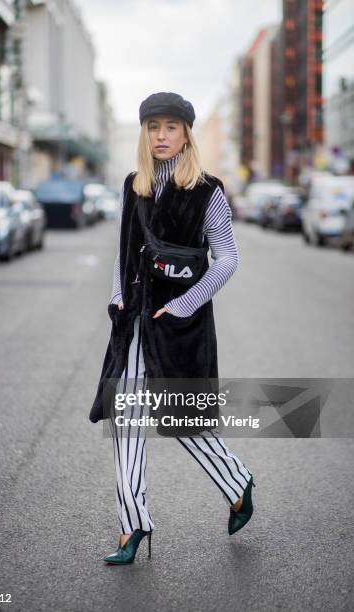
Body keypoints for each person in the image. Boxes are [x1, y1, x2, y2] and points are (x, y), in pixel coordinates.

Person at [89, 92, 256, 565]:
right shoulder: (133, 186)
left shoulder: (208, 190)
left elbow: (228, 259)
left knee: (182, 422)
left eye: (171, 127)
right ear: (144, 133)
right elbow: (122, 252)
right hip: (133, 325)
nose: (161, 136)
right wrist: (116, 297)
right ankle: (133, 524)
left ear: (186, 133)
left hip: (180, 326)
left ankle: (236, 480)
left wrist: (185, 304)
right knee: (127, 424)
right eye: (153, 127)